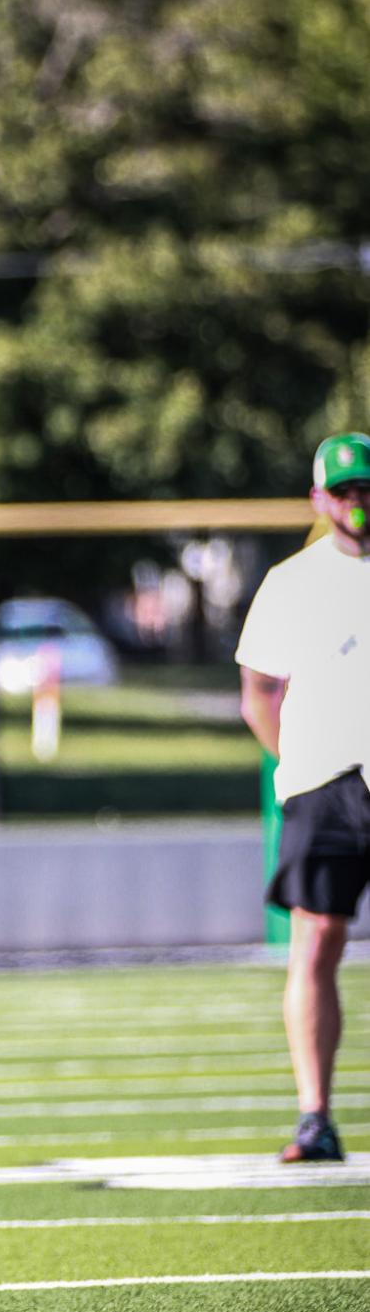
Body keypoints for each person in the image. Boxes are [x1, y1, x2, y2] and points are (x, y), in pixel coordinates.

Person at [235, 430, 370, 1163]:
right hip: (328, 783)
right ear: (321, 497)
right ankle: (315, 1113)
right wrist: (301, 765)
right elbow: (258, 693)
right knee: (318, 940)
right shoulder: (292, 580)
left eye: (367, 489)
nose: (357, 504)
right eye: (345, 491)